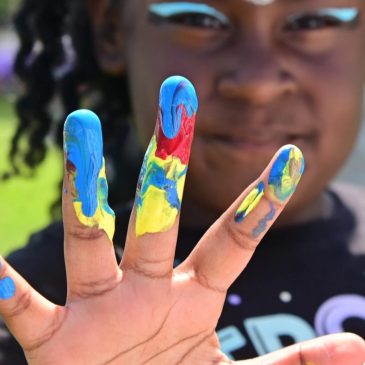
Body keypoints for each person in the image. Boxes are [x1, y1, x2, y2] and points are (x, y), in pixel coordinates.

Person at [1, 0, 365, 363]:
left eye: (313, 22)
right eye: (199, 20)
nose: (258, 84)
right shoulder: (38, 310)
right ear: (111, 29)